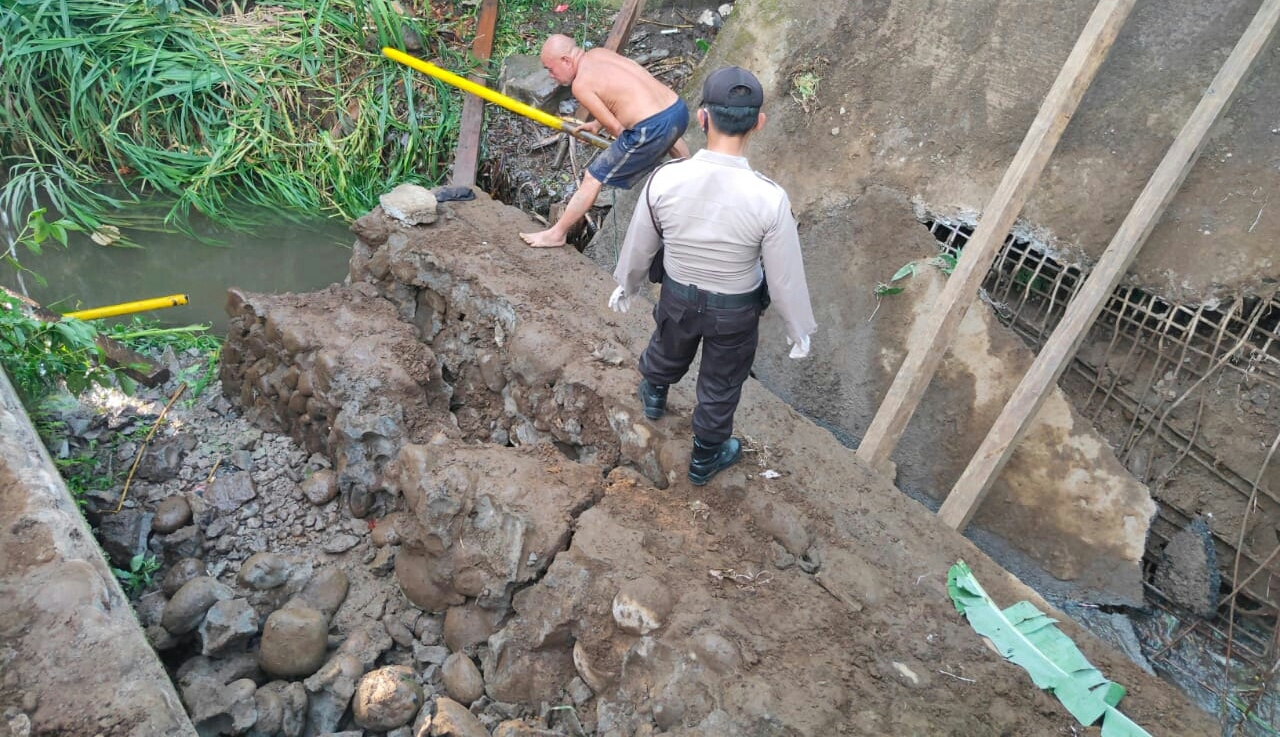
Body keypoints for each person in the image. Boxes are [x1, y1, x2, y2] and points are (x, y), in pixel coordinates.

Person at [609, 66, 817, 486]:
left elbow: (641, 244)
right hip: (735, 312)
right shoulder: (769, 198)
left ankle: (653, 397)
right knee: (721, 384)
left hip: (678, 296)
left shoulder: (665, 179)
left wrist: (627, 285)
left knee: (667, 347)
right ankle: (704, 458)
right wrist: (798, 328)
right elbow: (784, 279)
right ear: (758, 123)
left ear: (702, 119)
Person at [519, 34, 691, 249]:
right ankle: (697, 181)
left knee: (593, 177)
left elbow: (617, 128)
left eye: (550, 68)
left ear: (566, 60)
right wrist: (595, 124)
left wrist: (627, 151)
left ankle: (556, 233)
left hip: (651, 127)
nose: (551, 75)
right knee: (670, 136)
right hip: (677, 110)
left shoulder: (580, 84)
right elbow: (619, 90)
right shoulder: (599, 53)